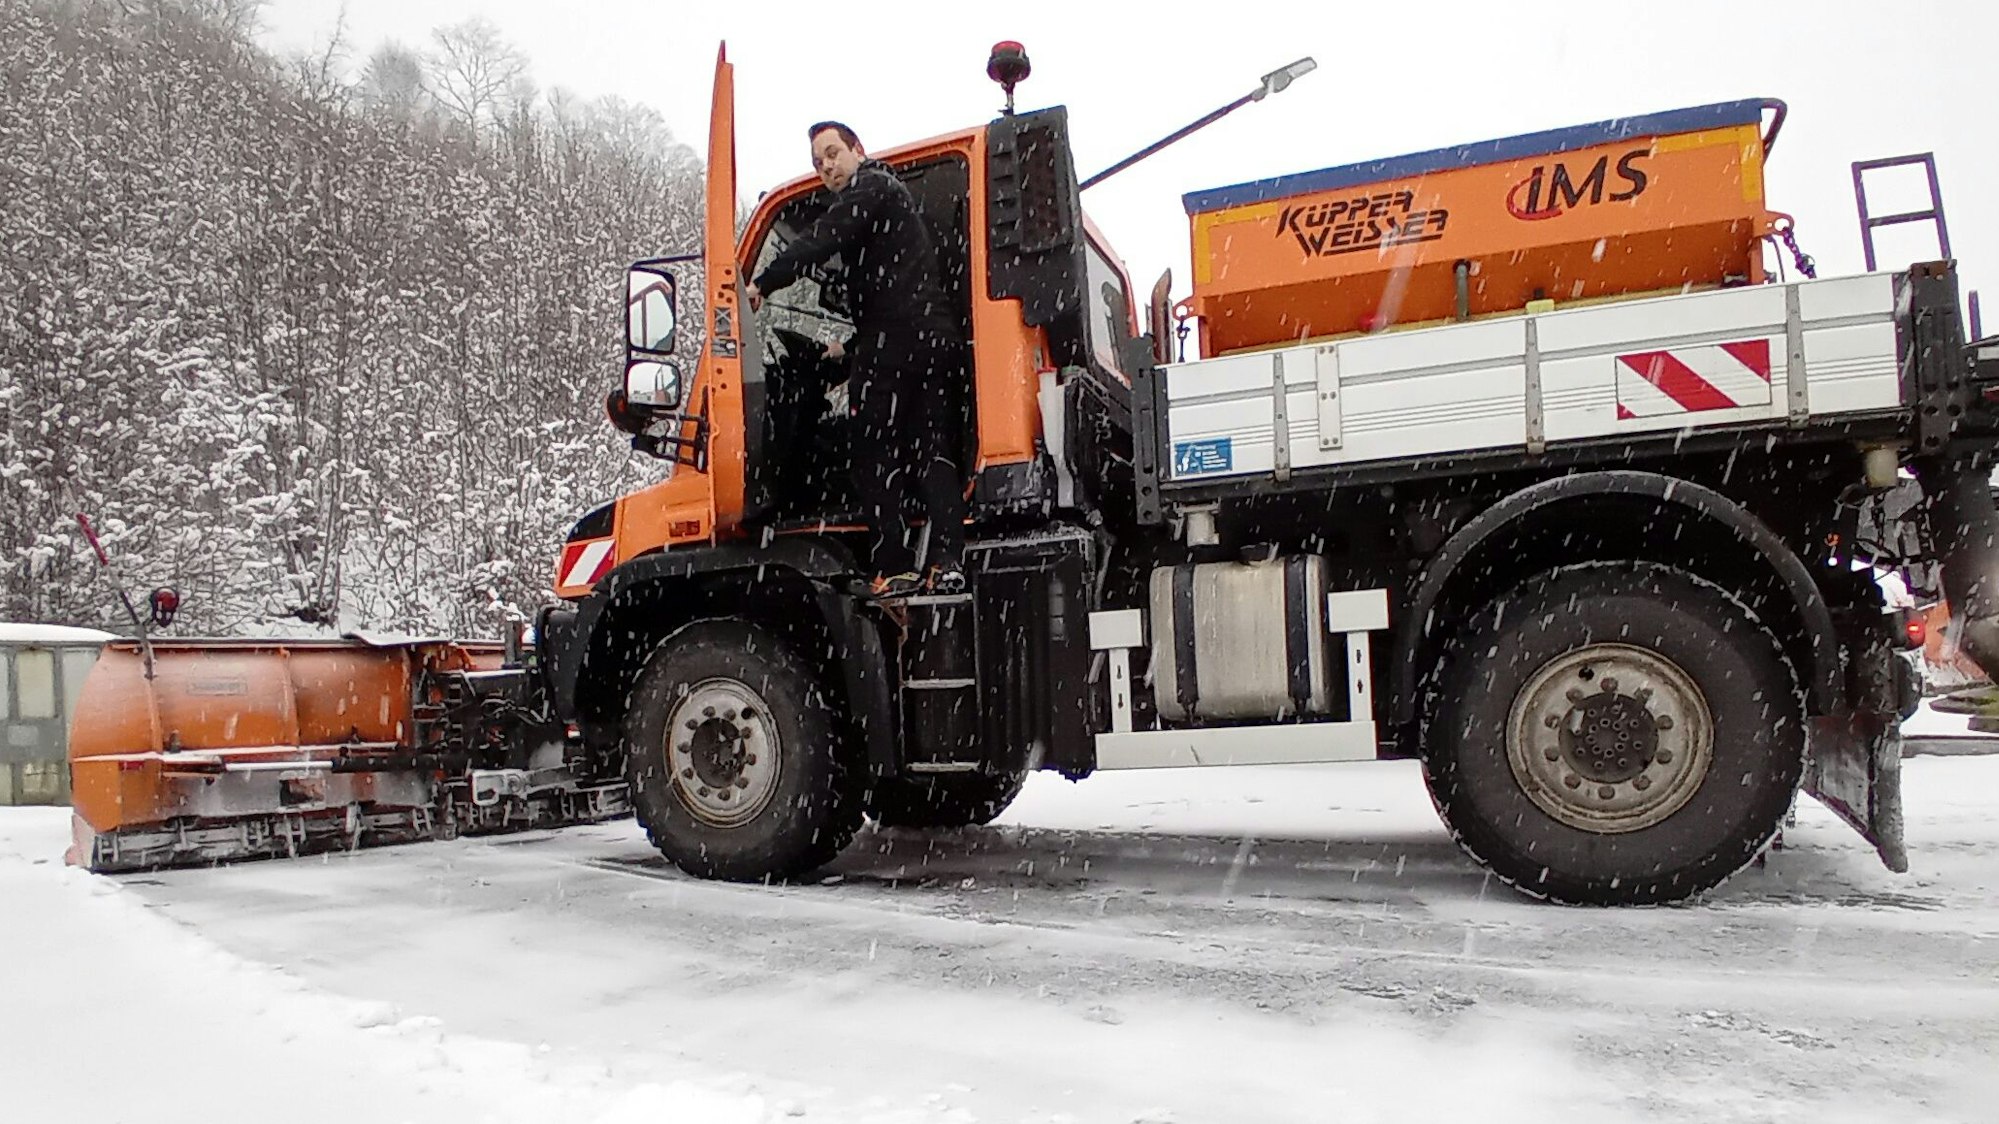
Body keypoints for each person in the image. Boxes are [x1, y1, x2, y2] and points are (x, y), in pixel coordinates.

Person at [746, 121, 967, 599]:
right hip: (928, 338)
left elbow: (824, 237)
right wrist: (846, 349)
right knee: (932, 450)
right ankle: (948, 560)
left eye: (832, 153)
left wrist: (763, 282)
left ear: (857, 150)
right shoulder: (894, 207)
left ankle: (894, 565)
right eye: (818, 162)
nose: (826, 166)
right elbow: (894, 291)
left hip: (899, 341)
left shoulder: (871, 186)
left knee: (870, 448)